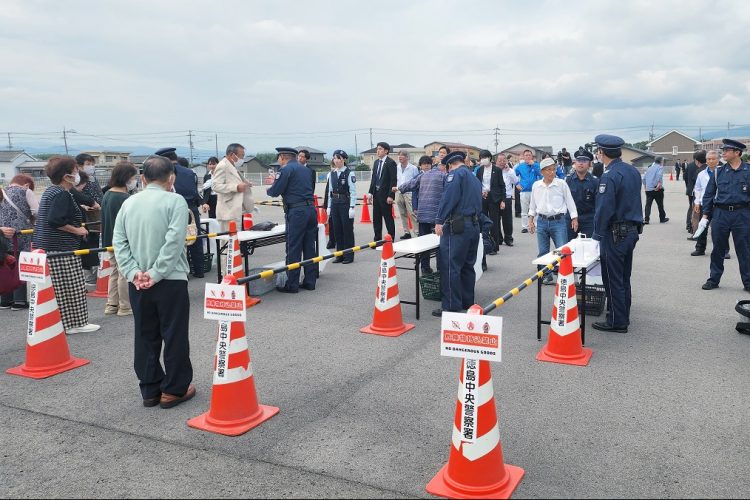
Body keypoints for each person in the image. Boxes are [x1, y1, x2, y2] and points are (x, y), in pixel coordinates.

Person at [113, 155, 195, 409]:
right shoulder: (176, 201)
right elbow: (174, 242)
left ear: (143, 178)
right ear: (171, 178)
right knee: (174, 334)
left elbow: (119, 241)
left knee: (145, 335)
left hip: (137, 282)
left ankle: (149, 389)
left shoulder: (129, 203)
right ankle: (173, 389)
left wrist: (134, 272)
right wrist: (156, 273)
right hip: (169, 280)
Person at [32, 156, 100, 334]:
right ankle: (76, 323)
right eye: (75, 170)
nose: (78, 173)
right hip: (60, 247)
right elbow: (55, 220)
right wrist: (77, 230)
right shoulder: (61, 193)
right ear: (66, 176)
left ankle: (65, 323)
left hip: (49, 246)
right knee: (72, 286)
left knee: (60, 288)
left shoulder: (51, 191)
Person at [591, 134, 643, 333]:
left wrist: (597, 235)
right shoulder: (632, 171)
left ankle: (616, 321)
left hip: (614, 233)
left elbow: (604, 209)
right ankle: (623, 314)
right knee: (623, 276)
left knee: (612, 279)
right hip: (630, 231)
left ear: (601, 152)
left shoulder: (609, 175)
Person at [432, 151, 482, 317]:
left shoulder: (455, 175)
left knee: (450, 266)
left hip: (457, 226)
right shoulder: (473, 177)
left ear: (450, 165)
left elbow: (448, 198)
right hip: (473, 225)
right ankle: (468, 302)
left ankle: (452, 306)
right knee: (468, 266)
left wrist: (439, 220)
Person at [699, 139, 750, 291]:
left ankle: (748, 282)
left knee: (745, 249)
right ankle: (713, 279)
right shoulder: (718, 172)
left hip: (742, 214)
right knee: (718, 249)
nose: (724, 153)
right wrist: (705, 216)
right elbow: (708, 195)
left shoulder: (748, 171)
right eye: (723, 150)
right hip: (721, 214)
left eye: (727, 150)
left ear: (737, 153)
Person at [267, 147, 318, 293]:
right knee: (309, 247)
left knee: (293, 247)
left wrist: (269, 188)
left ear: (282, 157)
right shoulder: (306, 170)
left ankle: (292, 284)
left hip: (297, 212)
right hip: (310, 210)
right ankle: (310, 281)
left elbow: (275, 191)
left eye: (278, 158)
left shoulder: (286, 170)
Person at [156, 148, 207, 278]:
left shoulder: (164, 173)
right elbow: (195, 191)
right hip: (192, 209)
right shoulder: (191, 172)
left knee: (176, 240)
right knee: (195, 238)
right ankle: (199, 270)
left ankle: (183, 272)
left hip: (173, 208)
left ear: (165, 159)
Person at [529, 158, 578, 284]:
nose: (552, 172)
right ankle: (546, 275)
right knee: (543, 252)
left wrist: (574, 218)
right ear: (542, 172)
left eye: (554, 169)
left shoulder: (561, 184)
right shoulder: (536, 186)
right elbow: (532, 205)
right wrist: (530, 220)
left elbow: (570, 201)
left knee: (562, 251)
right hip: (542, 221)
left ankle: (566, 276)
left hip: (559, 221)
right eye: (548, 170)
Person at [101, 161, 139, 316]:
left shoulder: (108, 194)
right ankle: (125, 306)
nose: (134, 181)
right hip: (123, 241)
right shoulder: (125, 198)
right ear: (127, 178)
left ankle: (112, 304)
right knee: (124, 272)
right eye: (133, 177)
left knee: (115, 271)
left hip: (109, 240)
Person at [398, 155, 446, 274]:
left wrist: (399, 188)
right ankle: (440, 268)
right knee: (439, 243)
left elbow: (409, 185)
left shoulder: (422, 176)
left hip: (423, 214)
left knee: (424, 241)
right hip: (437, 215)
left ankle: (425, 267)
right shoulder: (443, 176)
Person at [0, 174, 37, 310]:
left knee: (4, 265)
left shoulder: (2, 191)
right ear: (26, 184)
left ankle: (5, 300)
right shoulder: (26, 191)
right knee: (19, 266)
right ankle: (19, 301)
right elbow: (37, 212)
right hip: (20, 236)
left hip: (2, 235)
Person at [74, 154, 103, 285]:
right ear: (79, 165)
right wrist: (84, 205)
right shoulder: (77, 179)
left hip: (97, 215)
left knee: (96, 243)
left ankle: (94, 273)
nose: (91, 166)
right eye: (88, 164)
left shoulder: (93, 179)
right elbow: (75, 196)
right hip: (85, 217)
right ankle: (88, 276)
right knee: (88, 244)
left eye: (92, 163)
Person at [213, 143, 252, 233]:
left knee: (235, 241)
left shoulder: (232, 166)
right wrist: (236, 187)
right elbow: (215, 186)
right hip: (227, 212)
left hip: (235, 211)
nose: (242, 159)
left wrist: (246, 184)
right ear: (231, 154)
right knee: (229, 242)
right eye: (241, 156)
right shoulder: (223, 166)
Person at [326, 150, 356, 264]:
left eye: (339, 158)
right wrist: (329, 206)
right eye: (335, 158)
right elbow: (330, 192)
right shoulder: (332, 173)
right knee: (336, 230)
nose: (336, 160)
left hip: (345, 203)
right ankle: (339, 254)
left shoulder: (349, 173)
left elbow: (353, 191)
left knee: (347, 230)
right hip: (334, 203)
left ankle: (348, 255)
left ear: (343, 160)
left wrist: (352, 207)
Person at [475, 149, 505, 254]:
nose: (483, 160)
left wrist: (503, 200)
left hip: (494, 199)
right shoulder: (479, 170)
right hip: (483, 198)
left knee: (494, 222)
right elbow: (478, 184)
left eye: (485, 158)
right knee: (482, 222)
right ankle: (484, 244)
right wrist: (481, 192)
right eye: (481, 158)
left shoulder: (497, 170)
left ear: (490, 158)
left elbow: (502, 186)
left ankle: (494, 246)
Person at [691, 150, 720, 257]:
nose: (711, 161)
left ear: (718, 160)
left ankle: (724, 250)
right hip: (705, 204)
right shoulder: (701, 174)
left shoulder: (722, 172)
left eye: (713, 159)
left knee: (720, 229)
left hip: (719, 205)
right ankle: (700, 248)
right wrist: (697, 202)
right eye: (708, 159)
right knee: (702, 227)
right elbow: (697, 189)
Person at [366, 142, 397, 242]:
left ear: (386, 151)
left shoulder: (391, 163)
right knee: (376, 218)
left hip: (385, 195)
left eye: (380, 149)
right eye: (377, 149)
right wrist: (370, 193)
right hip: (376, 194)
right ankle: (377, 238)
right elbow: (373, 179)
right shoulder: (376, 163)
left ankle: (391, 237)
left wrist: (391, 195)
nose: (378, 151)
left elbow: (393, 180)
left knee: (388, 217)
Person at [566, 151, 598, 241]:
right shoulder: (568, 180)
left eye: (584, 161)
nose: (580, 163)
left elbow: (598, 203)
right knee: (567, 248)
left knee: (588, 248)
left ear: (589, 164)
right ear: (575, 163)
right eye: (578, 160)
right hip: (571, 218)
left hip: (589, 219)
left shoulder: (595, 182)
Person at [393, 150, 419, 239]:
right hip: (399, 192)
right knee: (402, 213)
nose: (400, 157)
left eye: (402, 155)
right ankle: (407, 232)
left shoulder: (413, 168)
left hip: (409, 193)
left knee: (412, 214)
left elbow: (416, 181)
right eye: (399, 155)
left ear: (407, 157)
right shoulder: (397, 167)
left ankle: (416, 232)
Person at [514, 149, 542, 233]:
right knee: (524, 210)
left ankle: (536, 225)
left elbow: (541, 173)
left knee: (536, 209)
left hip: (535, 191)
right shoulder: (520, 166)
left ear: (532, 157)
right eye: (526, 155)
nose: (528, 157)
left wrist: (534, 165)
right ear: (523, 156)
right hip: (524, 191)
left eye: (529, 155)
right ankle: (525, 226)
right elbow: (513, 176)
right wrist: (517, 184)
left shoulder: (536, 165)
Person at [496, 153, 518, 246]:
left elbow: (516, 181)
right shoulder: (493, 171)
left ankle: (508, 238)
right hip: (495, 198)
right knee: (496, 220)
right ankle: (498, 238)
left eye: (503, 160)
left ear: (506, 161)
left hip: (507, 198)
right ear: (496, 161)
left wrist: (510, 172)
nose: (501, 162)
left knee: (507, 220)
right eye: (499, 160)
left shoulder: (510, 171)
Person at [684, 151, 706, 233]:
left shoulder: (689, 165)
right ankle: (695, 226)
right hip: (698, 191)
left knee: (691, 207)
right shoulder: (705, 167)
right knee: (697, 209)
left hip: (690, 190)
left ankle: (689, 225)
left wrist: (688, 187)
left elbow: (685, 178)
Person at [642, 156, 669, 224]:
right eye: (663, 161)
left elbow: (644, 178)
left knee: (648, 204)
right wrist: (658, 184)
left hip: (648, 189)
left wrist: (645, 186)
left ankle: (646, 219)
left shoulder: (649, 168)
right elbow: (659, 175)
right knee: (660, 204)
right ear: (661, 161)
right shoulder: (660, 167)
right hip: (657, 189)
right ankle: (662, 218)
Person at [323, 159, 337, 250]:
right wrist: (326, 203)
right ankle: (332, 241)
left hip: (339, 201)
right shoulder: (330, 174)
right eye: (332, 165)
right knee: (331, 222)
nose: (332, 167)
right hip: (331, 200)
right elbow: (327, 190)